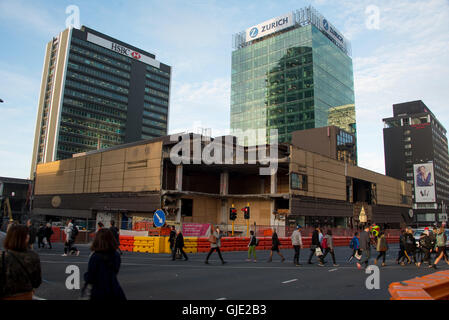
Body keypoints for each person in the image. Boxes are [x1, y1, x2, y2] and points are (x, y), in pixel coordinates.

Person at [0, 224, 42, 300]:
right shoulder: (33, 256)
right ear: (25, 238)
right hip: (25, 295)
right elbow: (37, 282)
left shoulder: (2, 256)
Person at [83, 228, 126, 300]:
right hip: (114, 288)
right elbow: (115, 271)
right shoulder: (116, 255)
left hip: (99, 291)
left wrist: (85, 276)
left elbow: (91, 276)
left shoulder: (95, 256)